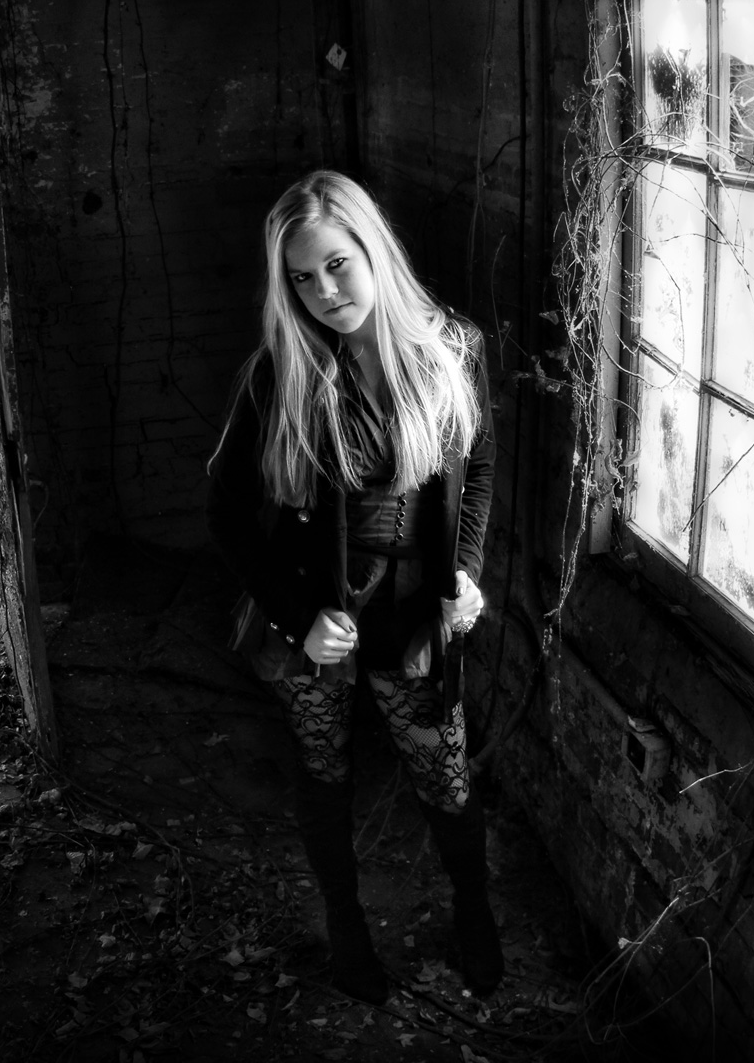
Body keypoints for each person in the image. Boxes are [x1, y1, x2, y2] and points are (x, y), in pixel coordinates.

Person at [207, 170, 501, 1004]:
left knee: (446, 777)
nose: (324, 292)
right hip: (317, 614)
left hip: (412, 606)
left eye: (336, 265)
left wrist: (464, 575)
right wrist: (297, 617)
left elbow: (478, 463)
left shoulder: (453, 349)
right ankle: (346, 926)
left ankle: (475, 911)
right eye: (302, 278)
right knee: (324, 770)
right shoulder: (281, 373)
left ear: (373, 250)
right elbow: (225, 514)